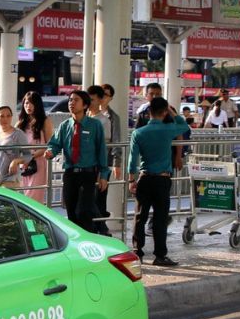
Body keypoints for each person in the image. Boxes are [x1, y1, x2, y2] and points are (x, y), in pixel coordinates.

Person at [128, 97, 189, 267]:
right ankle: (160, 256)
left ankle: (137, 252)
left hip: (144, 178)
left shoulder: (138, 133)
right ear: (164, 112)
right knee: (160, 219)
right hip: (162, 179)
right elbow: (184, 126)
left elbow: (132, 159)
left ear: (149, 112)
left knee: (140, 217)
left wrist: (131, 179)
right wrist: (172, 112)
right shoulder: (168, 129)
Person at [43, 89, 109, 233]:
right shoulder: (65, 125)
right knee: (71, 211)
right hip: (70, 173)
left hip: (88, 174)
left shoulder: (95, 125)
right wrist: (50, 152)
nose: (71, 103)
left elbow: (101, 150)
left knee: (84, 211)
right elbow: (55, 143)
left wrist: (104, 174)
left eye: (76, 100)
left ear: (85, 105)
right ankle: (78, 241)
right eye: (70, 100)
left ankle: (91, 239)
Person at [88, 84, 122, 236]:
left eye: (106, 95)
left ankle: (101, 227)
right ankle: (98, 226)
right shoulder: (86, 114)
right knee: (92, 196)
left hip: (104, 162)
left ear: (110, 98)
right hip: (88, 163)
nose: (103, 97)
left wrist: (116, 163)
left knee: (100, 195)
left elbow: (115, 141)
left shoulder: (112, 118)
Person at [16, 90, 55, 203]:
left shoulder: (44, 121)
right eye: (26, 103)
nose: (28, 106)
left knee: (33, 197)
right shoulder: (21, 122)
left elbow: (49, 144)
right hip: (24, 163)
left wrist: (31, 156)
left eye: (32, 103)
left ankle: (34, 215)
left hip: (38, 163)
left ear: (37, 105)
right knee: (25, 197)